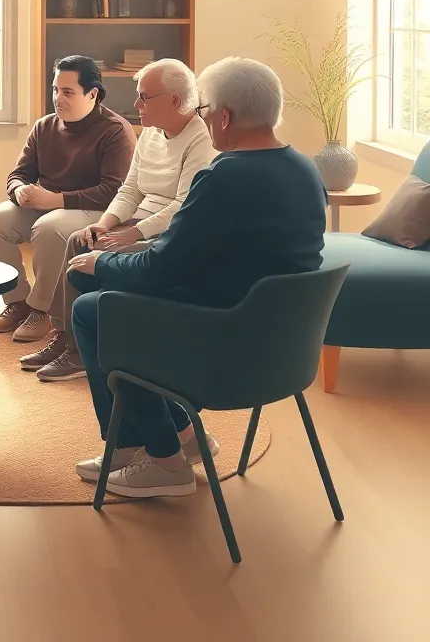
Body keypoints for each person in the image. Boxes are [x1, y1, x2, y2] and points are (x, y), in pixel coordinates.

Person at [66, 57, 328, 499]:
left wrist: (100, 264)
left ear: (223, 117)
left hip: (223, 341)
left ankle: (163, 461)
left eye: (205, 112)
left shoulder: (224, 177)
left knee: (95, 309)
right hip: (282, 345)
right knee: (109, 297)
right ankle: (175, 440)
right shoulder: (306, 170)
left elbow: (160, 267)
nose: (203, 120)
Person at [22, 58, 216, 381]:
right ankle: (69, 338)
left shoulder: (201, 139)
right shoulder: (151, 134)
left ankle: (83, 350)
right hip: (137, 223)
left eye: (144, 97)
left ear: (174, 101)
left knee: (97, 256)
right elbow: (130, 189)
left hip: (166, 233)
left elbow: (183, 206)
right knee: (79, 240)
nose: (136, 103)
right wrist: (106, 224)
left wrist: (134, 234)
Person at [0, 55, 135, 343]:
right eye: (55, 90)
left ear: (92, 94)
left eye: (67, 92)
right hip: (47, 205)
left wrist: (57, 200)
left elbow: (114, 190)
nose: (57, 98)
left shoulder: (115, 130)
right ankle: (18, 301)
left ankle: (43, 309)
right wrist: (19, 190)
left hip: (95, 210)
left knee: (49, 228)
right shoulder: (44, 126)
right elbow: (17, 175)